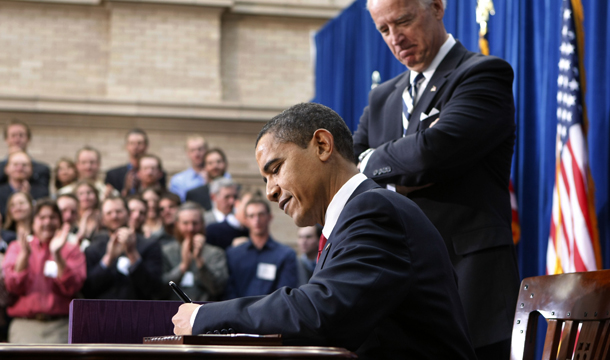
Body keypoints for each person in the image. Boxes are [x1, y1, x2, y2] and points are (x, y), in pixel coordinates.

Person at [172, 103, 476, 359]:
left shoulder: (373, 210)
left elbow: (321, 313)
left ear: (322, 145)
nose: (270, 191)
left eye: (275, 169)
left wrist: (204, 317)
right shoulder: (357, 215)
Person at [352, 0, 520, 357]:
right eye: (384, 29)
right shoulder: (382, 98)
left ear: (437, 7)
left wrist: (379, 163)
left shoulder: (482, 74)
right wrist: (402, 170)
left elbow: (431, 152)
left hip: (470, 292)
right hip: (396, 300)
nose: (396, 38)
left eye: (404, 21)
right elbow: (348, 169)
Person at [2, 198, 86, 343]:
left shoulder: (71, 249)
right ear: (33, 222)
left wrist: (57, 254)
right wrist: (24, 257)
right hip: (25, 325)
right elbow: (11, 286)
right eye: (42, 218)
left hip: (61, 326)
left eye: (52, 217)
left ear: (59, 222)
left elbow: (73, 286)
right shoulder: (17, 247)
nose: (47, 222)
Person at [82, 196, 162, 300]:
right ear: (102, 219)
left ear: (128, 214)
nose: (114, 216)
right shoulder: (92, 249)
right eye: (109, 213)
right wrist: (108, 259)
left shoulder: (150, 245)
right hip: (102, 311)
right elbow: (87, 290)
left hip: (140, 311)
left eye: (119, 211)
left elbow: (155, 288)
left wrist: (132, 253)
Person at [223, 198, 298, 300]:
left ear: (269, 217)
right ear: (246, 220)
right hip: (238, 313)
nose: (256, 220)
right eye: (251, 216)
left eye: (261, 214)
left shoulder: (285, 254)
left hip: (271, 313)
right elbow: (229, 291)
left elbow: (285, 292)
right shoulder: (233, 254)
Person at [162, 202, 228, 301]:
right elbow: (160, 289)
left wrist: (200, 261)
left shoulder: (216, 253)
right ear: (177, 224)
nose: (190, 228)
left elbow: (217, 289)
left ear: (202, 224)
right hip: (173, 310)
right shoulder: (166, 252)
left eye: (195, 223)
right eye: (185, 223)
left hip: (204, 310)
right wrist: (183, 266)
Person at [104, 129, 167, 196]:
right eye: (132, 143)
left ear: (146, 146)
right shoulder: (113, 175)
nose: (135, 147)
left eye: (139, 143)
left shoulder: (157, 173)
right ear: (126, 146)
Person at [0, 120, 50, 188]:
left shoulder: (41, 169)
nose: (17, 139)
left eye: (21, 135)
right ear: (6, 139)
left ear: (28, 139)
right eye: (13, 135)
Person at [0, 151, 49, 218]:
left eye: (24, 165)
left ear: (32, 169)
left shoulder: (42, 194)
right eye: (15, 164)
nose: (20, 168)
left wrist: (28, 197)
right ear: (6, 169)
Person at [169, 135, 208, 202]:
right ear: (187, 153)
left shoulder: (223, 176)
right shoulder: (178, 180)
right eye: (192, 150)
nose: (197, 154)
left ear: (206, 151)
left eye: (200, 149)